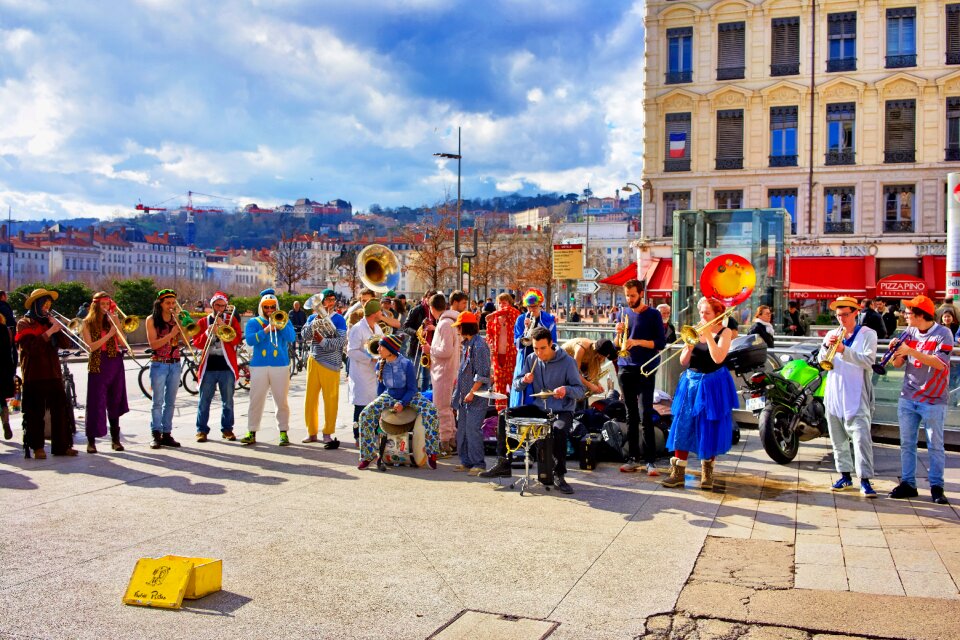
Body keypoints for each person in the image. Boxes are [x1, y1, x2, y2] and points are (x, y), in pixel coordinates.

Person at [479, 326, 584, 494]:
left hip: (561, 410)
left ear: (551, 344)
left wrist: (566, 390)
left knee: (559, 430)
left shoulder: (568, 362)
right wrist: (524, 381)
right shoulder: (530, 359)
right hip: (538, 407)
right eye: (535, 348)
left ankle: (559, 474)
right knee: (504, 416)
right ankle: (504, 463)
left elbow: (580, 390)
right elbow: (516, 385)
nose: (539, 353)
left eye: (543, 348)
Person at [661, 297, 738, 490]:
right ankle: (678, 473)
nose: (703, 316)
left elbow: (718, 357)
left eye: (707, 313)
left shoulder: (725, 331)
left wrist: (708, 336)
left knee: (708, 426)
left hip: (712, 384)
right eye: (701, 312)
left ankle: (707, 473)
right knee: (682, 424)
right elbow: (683, 361)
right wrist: (689, 345)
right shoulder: (695, 330)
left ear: (717, 315)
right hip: (691, 382)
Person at [888, 295, 954, 505]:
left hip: (933, 399)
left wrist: (910, 350)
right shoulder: (908, 332)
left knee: (935, 445)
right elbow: (898, 365)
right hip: (908, 396)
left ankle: (937, 487)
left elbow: (939, 364)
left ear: (919, 315)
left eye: (908, 313)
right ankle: (908, 483)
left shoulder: (944, 334)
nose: (904, 315)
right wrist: (896, 352)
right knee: (907, 443)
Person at [819, 296, 879, 497]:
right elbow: (821, 360)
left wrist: (844, 350)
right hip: (834, 392)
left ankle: (865, 479)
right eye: (838, 315)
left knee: (861, 438)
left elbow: (868, 360)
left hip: (857, 392)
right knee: (837, 439)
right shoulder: (831, 333)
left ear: (856, 313)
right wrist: (827, 348)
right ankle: (845, 476)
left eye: (845, 314)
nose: (841, 319)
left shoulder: (868, 334)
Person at [357, 334, 439, 470]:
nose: (378, 349)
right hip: (389, 395)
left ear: (390, 349)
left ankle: (431, 452)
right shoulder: (380, 364)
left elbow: (412, 389)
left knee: (432, 411)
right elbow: (381, 389)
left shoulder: (406, 364)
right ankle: (368, 455)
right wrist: (379, 407)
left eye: (381, 347)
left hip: (409, 395)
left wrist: (402, 402)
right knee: (365, 414)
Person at [15, 288, 78, 458]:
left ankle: (62, 446)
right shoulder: (24, 323)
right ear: (36, 305)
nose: (47, 308)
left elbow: (66, 344)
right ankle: (37, 447)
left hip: (53, 373)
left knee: (60, 410)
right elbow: (30, 348)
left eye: (49, 305)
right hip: (34, 375)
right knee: (35, 413)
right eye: (44, 304)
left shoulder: (48, 322)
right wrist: (49, 332)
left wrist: (58, 328)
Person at [616, 279, 666, 477]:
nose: (629, 299)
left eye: (633, 296)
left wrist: (637, 342)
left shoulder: (653, 314)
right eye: (627, 295)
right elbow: (619, 343)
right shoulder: (624, 313)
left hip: (645, 368)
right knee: (630, 415)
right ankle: (632, 458)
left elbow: (659, 343)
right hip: (625, 367)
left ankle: (650, 461)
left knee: (646, 413)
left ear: (641, 294)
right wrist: (618, 334)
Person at [240, 289, 297, 446]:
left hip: (280, 365)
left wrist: (281, 325)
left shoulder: (284, 320)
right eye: (266, 307)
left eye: (272, 307)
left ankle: (283, 432)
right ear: (261, 307)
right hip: (259, 365)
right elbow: (250, 341)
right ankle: (251, 431)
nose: (270, 310)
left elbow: (292, 337)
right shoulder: (253, 322)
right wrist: (265, 330)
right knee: (256, 399)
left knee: (281, 400)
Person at [81, 292, 129, 453]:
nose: (105, 308)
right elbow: (91, 347)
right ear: (95, 306)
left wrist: (116, 326)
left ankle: (115, 440)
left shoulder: (113, 320)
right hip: (98, 363)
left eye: (107, 304)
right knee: (95, 402)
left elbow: (123, 342)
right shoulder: (87, 323)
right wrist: (109, 335)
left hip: (114, 360)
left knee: (115, 400)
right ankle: (91, 441)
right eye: (102, 305)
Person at [192, 292, 243, 442]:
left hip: (226, 366)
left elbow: (236, 340)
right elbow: (197, 343)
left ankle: (227, 429)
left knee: (227, 401)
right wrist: (209, 332)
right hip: (209, 366)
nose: (220, 308)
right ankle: (201, 430)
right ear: (212, 305)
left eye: (223, 306)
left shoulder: (231, 321)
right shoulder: (202, 322)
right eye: (217, 305)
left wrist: (223, 327)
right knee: (204, 401)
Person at [302, 289, 348, 445]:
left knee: (330, 400)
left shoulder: (340, 319)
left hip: (331, 363)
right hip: (314, 359)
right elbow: (305, 336)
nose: (330, 302)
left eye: (332, 299)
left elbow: (341, 342)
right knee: (310, 399)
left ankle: (328, 432)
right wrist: (312, 325)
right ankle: (311, 431)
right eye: (327, 300)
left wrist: (323, 341)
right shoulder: (311, 317)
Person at [451, 311, 491, 474]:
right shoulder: (467, 344)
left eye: (458, 326)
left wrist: (472, 392)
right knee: (463, 430)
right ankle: (466, 461)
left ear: (464, 327)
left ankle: (478, 463)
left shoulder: (480, 346)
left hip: (476, 396)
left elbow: (483, 373)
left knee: (473, 429)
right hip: (465, 396)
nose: (457, 329)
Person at [145, 289, 185, 450]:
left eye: (173, 303)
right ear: (160, 304)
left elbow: (186, 339)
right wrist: (171, 334)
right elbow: (153, 344)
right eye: (167, 303)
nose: (171, 306)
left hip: (175, 363)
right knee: (157, 401)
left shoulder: (177, 319)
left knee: (171, 402)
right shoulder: (151, 319)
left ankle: (167, 433)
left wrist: (183, 326)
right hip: (159, 363)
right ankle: (156, 434)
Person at [423, 293, 460, 454]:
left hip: (444, 372)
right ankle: (451, 439)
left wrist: (429, 349)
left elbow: (445, 351)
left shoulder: (444, 324)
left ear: (431, 308)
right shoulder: (451, 322)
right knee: (448, 408)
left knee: (442, 408)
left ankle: (444, 441)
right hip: (448, 369)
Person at [510, 289, 556, 408]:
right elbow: (517, 343)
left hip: (542, 357)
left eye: (535, 306)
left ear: (540, 305)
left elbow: (553, 341)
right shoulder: (520, 319)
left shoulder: (548, 319)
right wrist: (526, 329)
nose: (531, 310)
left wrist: (537, 325)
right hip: (525, 357)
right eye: (529, 307)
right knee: (523, 384)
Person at [347, 299, 384, 445]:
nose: (381, 313)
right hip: (361, 374)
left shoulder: (377, 328)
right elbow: (351, 351)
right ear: (375, 313)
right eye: (380, 311)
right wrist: (369, 359)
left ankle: (372, 433)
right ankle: (358, 436)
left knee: (373, 404)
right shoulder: (357, 328)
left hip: (373, 374)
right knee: (361, 405)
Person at [485, 292, 520, 412]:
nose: (501, 305)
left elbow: (511, 310)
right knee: (499, 390)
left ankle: (514, 413)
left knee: (514, 387)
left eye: (504, 303)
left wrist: (494, 313)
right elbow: (489, 335)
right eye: (499, 303)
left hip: (511, 356)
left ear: (510, 303)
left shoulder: (514, 315)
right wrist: (490, 343)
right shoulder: (493, 319)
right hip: (497, 357)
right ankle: (500, 417)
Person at [0, 312, 13, 440]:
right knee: (1, 398)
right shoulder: (4, 328)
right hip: (3, 369)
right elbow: (10, 349)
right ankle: (5, 422)